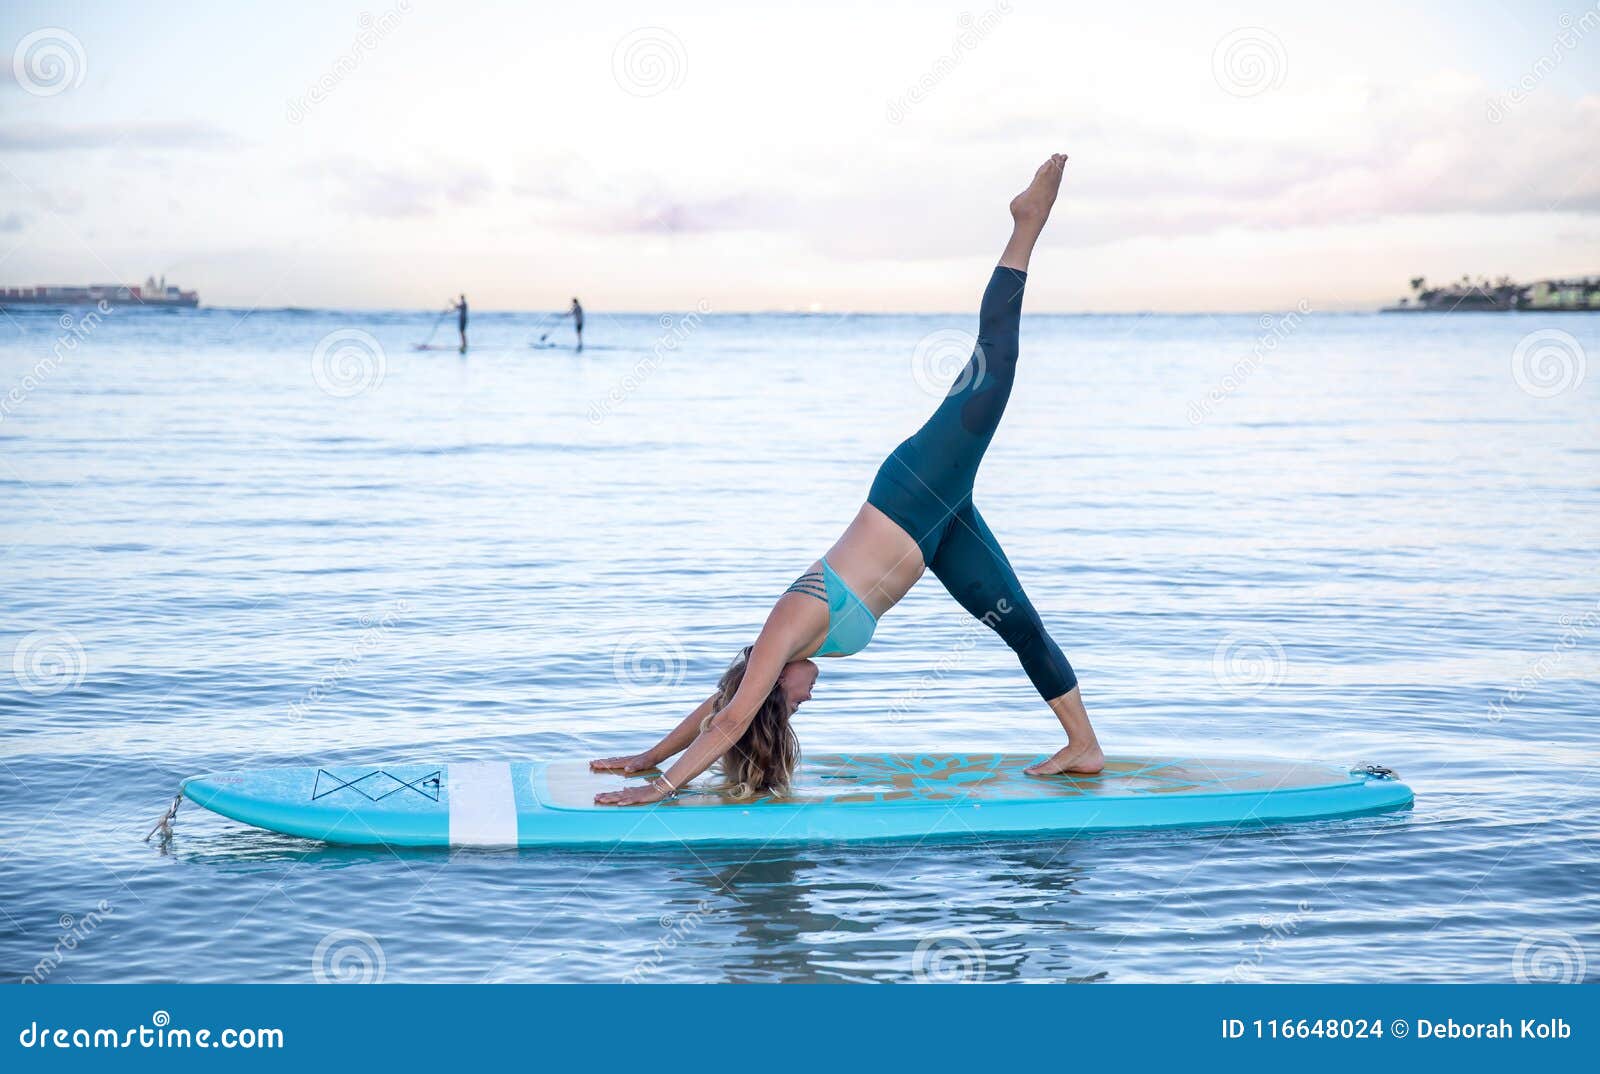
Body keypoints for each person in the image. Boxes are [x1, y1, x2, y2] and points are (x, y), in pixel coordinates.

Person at [590, 154, 1100, 806]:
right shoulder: (783, 655)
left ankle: (1027, 222)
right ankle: (1083, 746)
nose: (806, 701)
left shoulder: (785, 628)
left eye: (793, 707)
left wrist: (658, 788)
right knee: (1019, 623)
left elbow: (730, 718)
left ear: (775, 688)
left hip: (913, 492)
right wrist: (647, 755)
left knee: (994, 364)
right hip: (939, 530)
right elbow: (721, 703)